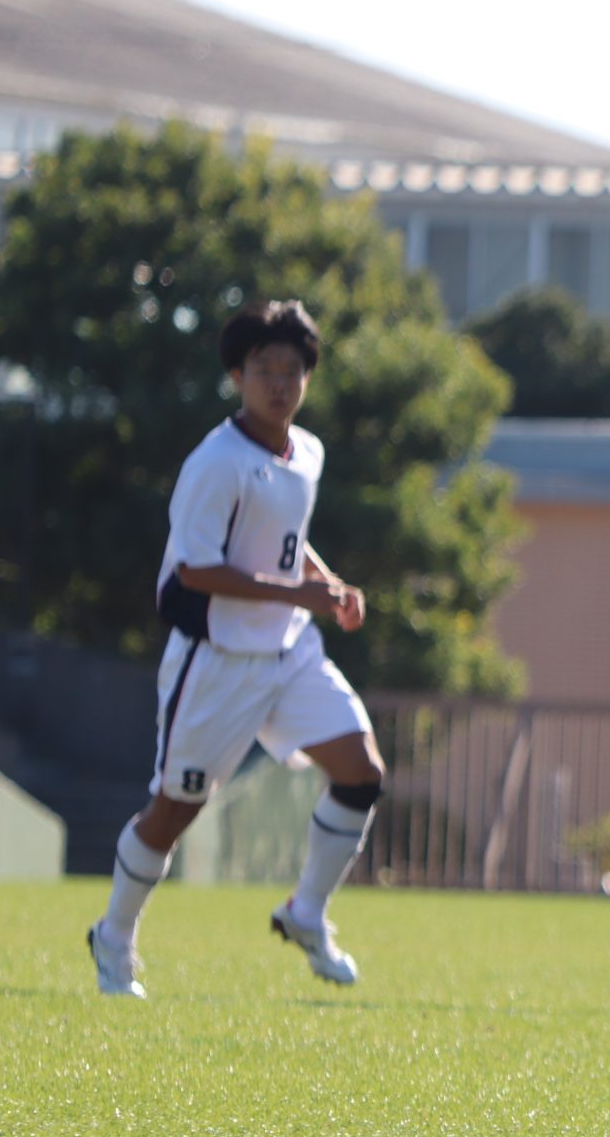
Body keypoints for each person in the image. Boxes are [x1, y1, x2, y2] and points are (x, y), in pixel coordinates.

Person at [87, 300, 386, 998]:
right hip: (217, 660)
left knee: (361, 771)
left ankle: (305, 913)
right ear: (236, 376)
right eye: (263, 369)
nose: (279, 383)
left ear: (307, 377)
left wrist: (329, 585)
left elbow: (285, 540)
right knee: (174, 810)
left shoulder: (306, 451)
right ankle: (113, 937)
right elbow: (196, 570)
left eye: (292, 369)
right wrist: (298, 594)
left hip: (289, 653)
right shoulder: (216, 462)